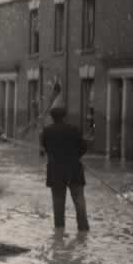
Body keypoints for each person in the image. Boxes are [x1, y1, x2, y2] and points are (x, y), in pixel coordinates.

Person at [40, 99, 90, 232]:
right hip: (74, 168)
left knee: (58, 201)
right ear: (65, 116)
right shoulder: (74, 130)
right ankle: (83, 228)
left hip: (55, 170)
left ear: (52, 117)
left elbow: (44, 148)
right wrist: (76, 157)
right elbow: (84, 147)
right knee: (79, 199)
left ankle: (59, 230)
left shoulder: (47, 131)